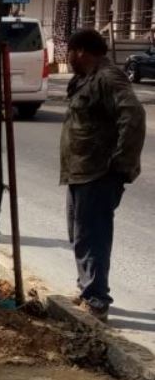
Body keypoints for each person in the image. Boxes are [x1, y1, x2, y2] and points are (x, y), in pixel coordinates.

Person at [61, 29, 146, 322]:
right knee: (78, 235)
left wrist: (121, 164)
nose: (67, 57)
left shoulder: (108, 78)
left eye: (69, 51)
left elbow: (133, 116)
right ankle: (87, 289)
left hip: (98, 172)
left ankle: (97, 300)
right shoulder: (85, 79)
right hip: (80, 171)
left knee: (92, 235)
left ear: (81, 51)